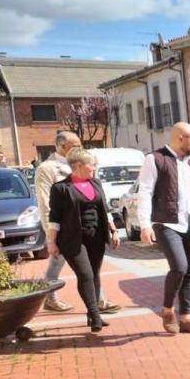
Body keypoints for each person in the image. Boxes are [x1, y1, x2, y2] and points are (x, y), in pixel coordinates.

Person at [138, 122, 190, 334]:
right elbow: (145, 192)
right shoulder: (155, 159)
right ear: (180, 138)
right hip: (167, 224)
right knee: (179, 267)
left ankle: (186, 318)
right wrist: (145, 225)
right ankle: (167, 310)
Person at [35, 131, 120, 313]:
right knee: (61, 263)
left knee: (88, 269)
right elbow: (45, 202)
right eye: (76, 145)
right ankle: (51, 297)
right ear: (62, 146)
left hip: (86, 228)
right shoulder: (47, 168)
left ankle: (97, 301)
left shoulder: (84, 164)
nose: (80, 148)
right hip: (64, 229)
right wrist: (52, 235)